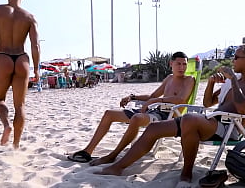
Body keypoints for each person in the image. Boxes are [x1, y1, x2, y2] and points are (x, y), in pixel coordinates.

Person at [96, 44, 245, 186]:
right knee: (154, 128)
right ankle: (118, 167)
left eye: (236, 57)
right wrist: (210, 83)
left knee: (188, 119)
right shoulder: (235, 81)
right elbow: (208, 103)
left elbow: (244, 108)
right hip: (211, 121)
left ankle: (186, 173)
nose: (233, 60)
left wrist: (232, 80)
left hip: (229, 127)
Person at [67, 52, 195, 164]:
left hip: (167, 115)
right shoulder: (169, 79)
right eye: (179, 64)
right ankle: (87, 151)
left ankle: (113, 155)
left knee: (137, 118)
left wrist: (157, 100)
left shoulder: (189, 80)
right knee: (109, 114)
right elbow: (152, 95)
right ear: (171, 64)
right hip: (153, 110)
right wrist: (132, 97)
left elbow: (181, 100)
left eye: (184, 64)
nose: (182, 67)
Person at [0, 0, 40, 148]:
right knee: (20, 106)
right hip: (22, 58)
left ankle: (7, 125)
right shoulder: (29, 17)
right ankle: (16, 144)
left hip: (3, 57)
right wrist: (36, 69)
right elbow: (35, 45)